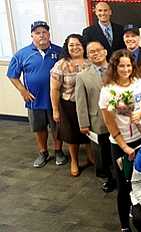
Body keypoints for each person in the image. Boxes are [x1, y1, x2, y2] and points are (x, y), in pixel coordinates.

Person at [98, 49, 141, 232]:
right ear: (114, 66)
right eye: (121, 65)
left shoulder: (139, 83)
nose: (126, 69)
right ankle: (124, 226)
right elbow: (109, 124)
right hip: (121, 145)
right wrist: (124, 146)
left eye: (129, 65)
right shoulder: (107, 90)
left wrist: (140, 114)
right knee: (124, 185)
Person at [6, 21, 66, 168]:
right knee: (39, 128)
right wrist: (22, 90)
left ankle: (58, 151)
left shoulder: (59, 52)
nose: (41, 35)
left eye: (44, 32)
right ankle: (43, 152)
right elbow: (12, 75)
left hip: (56, 100)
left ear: (49, 34)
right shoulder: (22, 54)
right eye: (38, 33)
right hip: (34, 100)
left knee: (57, 127)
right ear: (32, 35)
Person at [75, 41, 115, 192]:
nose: (96, 53)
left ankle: (120, 176)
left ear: (105, 52)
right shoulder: (82, 76)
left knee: (117, 150)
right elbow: (81, 102)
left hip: (119, 119)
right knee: (101, 152)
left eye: (98, 50)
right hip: (97, 121)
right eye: (91, 52)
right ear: (87, 55)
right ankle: (107, 178)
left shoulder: (117, 70)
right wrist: (83, 123)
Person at [50, 34, 92, 177]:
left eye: (78, 44)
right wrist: (55, 110)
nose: (75, 47)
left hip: (88, 105)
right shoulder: (61, 64)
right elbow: (54, 89)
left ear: (83, 46)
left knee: (89, 132)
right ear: (67, 47)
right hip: (69, 105)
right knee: (72, 135)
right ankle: (74, 161)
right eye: (71, 45)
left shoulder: (90, 62)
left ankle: (90, 156)